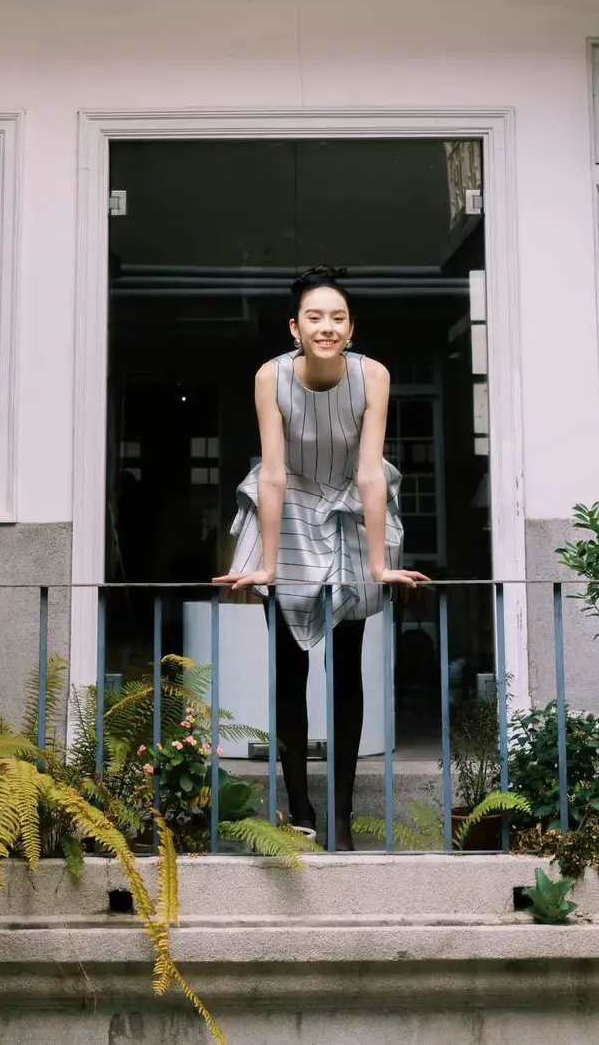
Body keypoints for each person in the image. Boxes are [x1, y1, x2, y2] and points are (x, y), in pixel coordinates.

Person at [215, 266, 428, 849]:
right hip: (286, 510)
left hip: (350, 513)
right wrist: (267, 564)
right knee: (289, 672)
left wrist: (379, 564)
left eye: (338, 318)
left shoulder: (373, 375)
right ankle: (300, 810)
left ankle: (342, 818)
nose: (326, 327)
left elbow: (370, 472)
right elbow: (273, 474)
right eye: (315, 317)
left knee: (346, 671)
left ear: (351, 329)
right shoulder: (271, 376)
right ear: (295, 327)